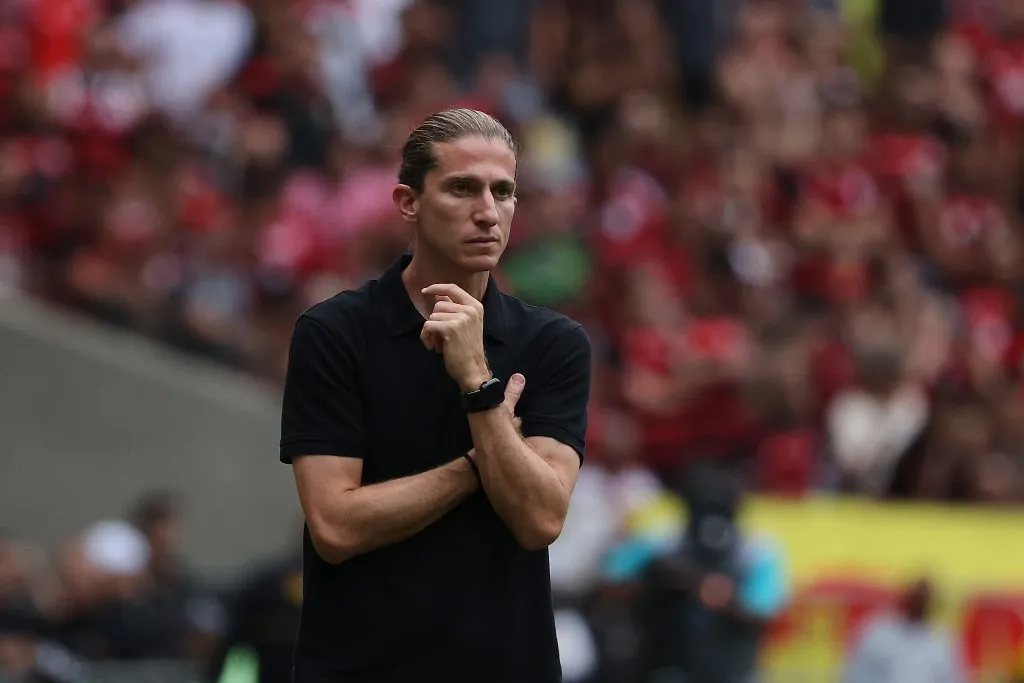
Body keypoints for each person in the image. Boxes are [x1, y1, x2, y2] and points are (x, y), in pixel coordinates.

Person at [279, 108, 592, 683]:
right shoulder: (334, 333)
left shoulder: (555, 344)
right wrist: (479, 463)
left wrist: (476, 379)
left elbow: (541, 517)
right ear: (408, 202)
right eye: (462, 189)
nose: (488, 212)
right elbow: (336, 526)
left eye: (504, 191)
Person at [631, 467, 789, 683]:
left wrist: (726, 600)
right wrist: (689, 581)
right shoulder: (665, 540)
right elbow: (614, 579)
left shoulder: (757, 552)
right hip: (669, 666)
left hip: (733, 669)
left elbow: (762, 613)